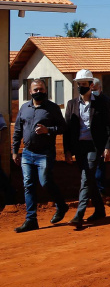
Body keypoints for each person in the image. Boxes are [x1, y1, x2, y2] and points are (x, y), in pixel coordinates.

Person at [11, 79, 67, 232]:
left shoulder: (52, 108)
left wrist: (48, 130)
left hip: (45, 153)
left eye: (41, 89)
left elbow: (63, 127)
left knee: (45, 182)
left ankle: (61, 206)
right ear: (30, 92)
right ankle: (31, 220)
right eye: (35, 90)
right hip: (27, 153)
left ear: (46, 90)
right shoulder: (24, 108)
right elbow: (17, 130)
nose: (38, 92)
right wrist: (15, 150)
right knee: (28, 185)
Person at [64, 69, 110, 227]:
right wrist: (67, 150)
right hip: (79, 146)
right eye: (79, 84)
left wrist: (108, 146)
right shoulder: (72, 104)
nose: (81, 87)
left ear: (91, 85)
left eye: (84, 84)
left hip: (95, 145)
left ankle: (79, 214)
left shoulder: (101, 103)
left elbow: (108, 126)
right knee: (89, 178)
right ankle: (100, 210)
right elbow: (67, 129)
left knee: (86, 178)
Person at [91, 77, 110, 199]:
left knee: (100, 165)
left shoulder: (107, 102)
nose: (93, 92)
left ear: (100, 88)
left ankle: (100, 191)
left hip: (102, 139)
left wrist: (109, 143)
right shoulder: (87, 101)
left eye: (95, 89)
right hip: (89, 140)